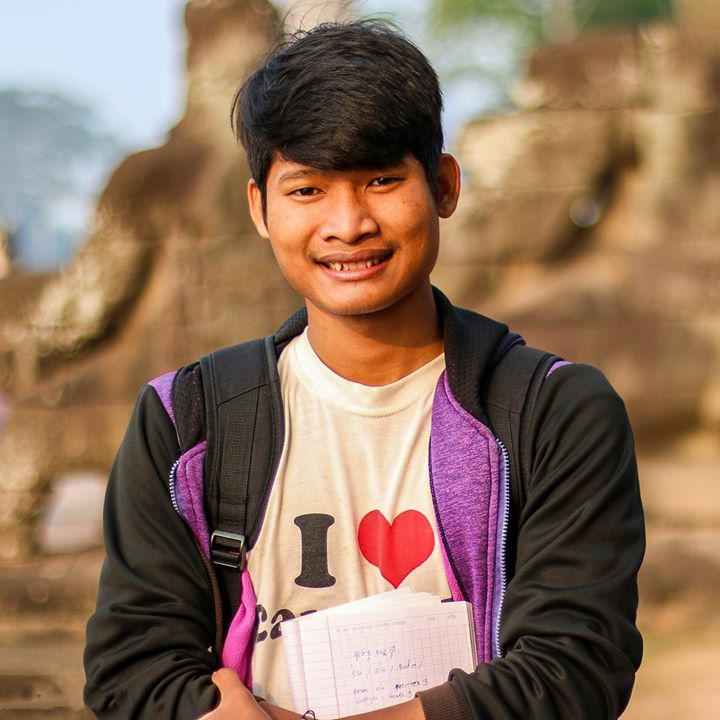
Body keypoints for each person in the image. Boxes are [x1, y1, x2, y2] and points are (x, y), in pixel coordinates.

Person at [83, 19, 644, 720]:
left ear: (444, 186)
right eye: (307, 190)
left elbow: (576, 668)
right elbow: (129, 668)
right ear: (259, 208)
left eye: (381, 180)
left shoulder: (554, 413)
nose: (348, 225)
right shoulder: (187, 424)